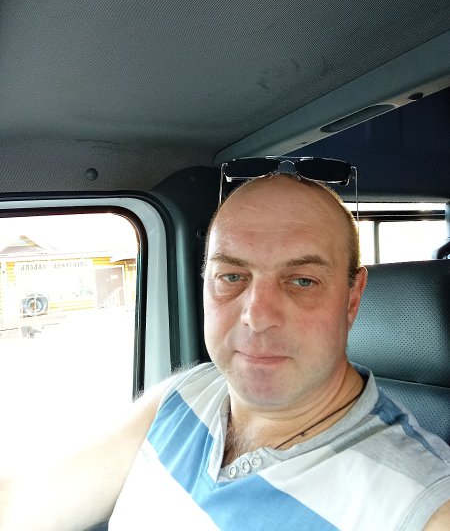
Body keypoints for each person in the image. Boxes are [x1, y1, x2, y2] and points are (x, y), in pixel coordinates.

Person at [1, 173, 449, 530]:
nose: (257, 315)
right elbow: (24, 499)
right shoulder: (184, 394)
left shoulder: (422, 505)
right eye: (232, 277)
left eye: (303, 281)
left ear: (352, 299)